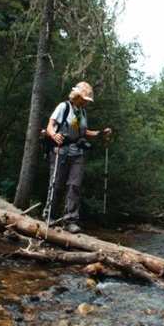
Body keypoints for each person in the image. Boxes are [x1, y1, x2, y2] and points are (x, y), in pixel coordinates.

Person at [43, 81, 111, 233]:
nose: (85, 102)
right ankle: (50, 216)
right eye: (84, 99)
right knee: (57, 184)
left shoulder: (82, 112)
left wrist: (100, 133)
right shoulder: (64, 107)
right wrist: (54, 135)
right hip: (60, 150)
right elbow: (50, 125)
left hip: (77, 152)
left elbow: (84, 132)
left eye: (86, 100)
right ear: (77, 96)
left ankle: (70, 221)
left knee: (74, 185)